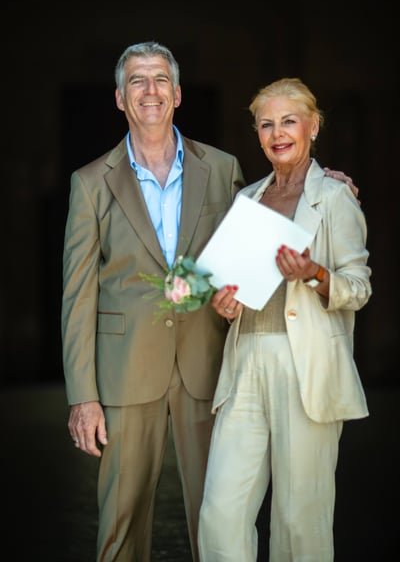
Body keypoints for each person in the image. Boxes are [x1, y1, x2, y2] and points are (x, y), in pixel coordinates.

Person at [61, 42, 359, 562]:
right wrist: (83, 394)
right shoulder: (89, 184)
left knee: (215, 518)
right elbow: (77, 291)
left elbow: (266, 226)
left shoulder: (224, 172)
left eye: (160, 80)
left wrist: (329, 182)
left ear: (177, 94)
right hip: (126, 371)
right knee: (121, 523)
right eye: (137, 80)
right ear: (118, 97)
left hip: (211, 364)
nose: (149, 90)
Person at [197, 77, 372, 562]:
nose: (278, 133)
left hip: (306, 367)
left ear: (313, 126)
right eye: (266, 124)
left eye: (289, 121)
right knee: (220, 512)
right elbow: (226, 288)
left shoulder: (335, 197)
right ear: (256, 132)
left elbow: (358, 287)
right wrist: (224, 304)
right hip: (245, 361)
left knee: (300, 518)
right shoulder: (247, 199)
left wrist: (316, 273)